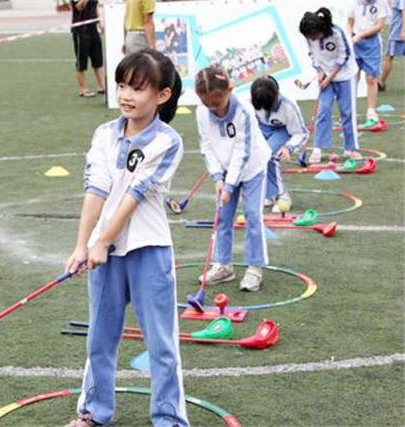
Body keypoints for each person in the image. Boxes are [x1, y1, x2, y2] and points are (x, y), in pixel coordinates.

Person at [64, 49, 188, 427]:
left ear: (162, 96)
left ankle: (168, 418)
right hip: (105, 253)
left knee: (161, 345)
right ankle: (94, 412)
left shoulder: (168, 141)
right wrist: (83, 244)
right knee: (99, 340)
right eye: (121, 85)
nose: (126, 95)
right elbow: (96, 188)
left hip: (148, 250)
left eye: (137, 87)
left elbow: (135, 194)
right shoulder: (104, 134)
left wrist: (103, 243)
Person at [195, 65, 271, 292]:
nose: (212, 108)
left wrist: (229, 186)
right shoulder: (202, 112)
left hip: (252, 167)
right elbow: (206, 146)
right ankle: (223, 265)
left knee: (252, 215)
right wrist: (218, 178)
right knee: (222, 218)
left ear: (230, 89)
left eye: (216, 103)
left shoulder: (244, 112)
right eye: (207, 103)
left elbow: (242, 151)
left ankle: (255, 268)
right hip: (225, 170)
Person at [299, 7, 361, 163]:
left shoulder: (336, 32)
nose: (311, 39)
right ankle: (318, 149)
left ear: (320, 29)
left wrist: (330, 77)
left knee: (347, 113)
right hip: (325, 76)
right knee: (323, 111)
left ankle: (350, 148)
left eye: (313, 35)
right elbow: (313, 56)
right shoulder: (309, 37)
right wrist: (320, 72)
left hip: (345, 76)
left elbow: (344, 55)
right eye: (308, 36)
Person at [250, 76, 308, 213]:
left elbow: (301, 133)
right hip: (260, 129)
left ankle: (283, 195)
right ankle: (269, 194)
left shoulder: (289, 105)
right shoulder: (251, 100)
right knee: (254, 156)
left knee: (268, 154)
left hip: (282, 130)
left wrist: (288, 148)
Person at [347, 0, 389, 128]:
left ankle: (371, 113)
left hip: (371, 44)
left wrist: (361, 35)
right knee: (353, 77)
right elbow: (349, 23)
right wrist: (349, 37)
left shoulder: (380, 3)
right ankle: (350, 113)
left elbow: (379, 25)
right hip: (355, 43)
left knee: (371, 78)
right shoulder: (355, 3)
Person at [71, 0, 106, 97]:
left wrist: (99, 23)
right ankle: (83, 89)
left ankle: (102, 85)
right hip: (81, 30)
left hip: (93, 29)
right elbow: (79, 6)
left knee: (98, 59)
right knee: (81, 61)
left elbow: (95, 6)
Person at [378, 0, 405, 91]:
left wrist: (403, 31)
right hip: (397, 31)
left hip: (397, 33)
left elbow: (404, 11)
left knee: (388, 57)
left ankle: (381, 83)